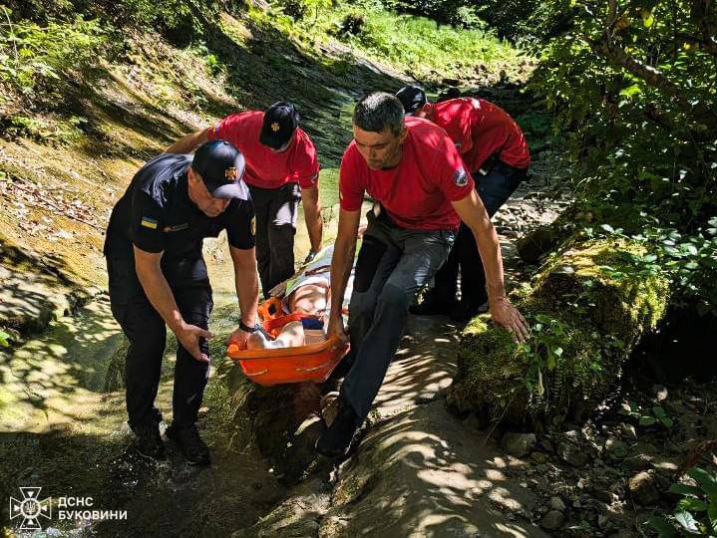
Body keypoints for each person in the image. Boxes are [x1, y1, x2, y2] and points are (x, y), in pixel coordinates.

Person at [315, 92, 530, 458]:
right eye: (362, 144)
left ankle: (350, 414)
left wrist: (498, 299)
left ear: (401, 135)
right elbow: (346, 240)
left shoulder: (436, 150)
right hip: (387, 226)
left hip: (433, 232)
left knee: (396, 296)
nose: (370, 155)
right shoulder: (355, 158)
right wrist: (334, 313)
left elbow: (482, 228)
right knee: (363, 304)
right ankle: (359, 364)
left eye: (379, 146)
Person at [104, 140, 261, 466]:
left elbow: (246, 264)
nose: (221, 205)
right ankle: (143, 423)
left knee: (199, 334)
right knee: (149, 337)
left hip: (184, 251)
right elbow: (147, 269)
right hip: (132, 254)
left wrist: (249, 323)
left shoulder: (239, 200)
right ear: (193, 177)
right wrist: (177, 325)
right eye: (214, 194)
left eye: (228, 195)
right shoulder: (155, 192)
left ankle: (184, 426)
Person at [396, 85, 531, 321]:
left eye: (412, 119)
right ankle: (442, 296)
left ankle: (475, 299)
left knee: (469, 228)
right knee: (446, 223)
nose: (409, 126)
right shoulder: (423, 129)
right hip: (478, 158)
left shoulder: (452, 121)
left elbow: (458, 174)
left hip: (507, 160)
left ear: (427, 109)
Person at [165, 102, 323, 297]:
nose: (273, 150)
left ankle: (284, 297)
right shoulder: (244, 125)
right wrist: (160, 164)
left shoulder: (305, 151)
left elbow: (311, 203)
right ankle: (270, 297)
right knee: (261, 244)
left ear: (293, 133)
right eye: (269, 142)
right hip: (251, 185)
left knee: (280, 229)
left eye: (279, 146)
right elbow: (200, 137)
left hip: (286, 186)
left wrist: (316, 249)